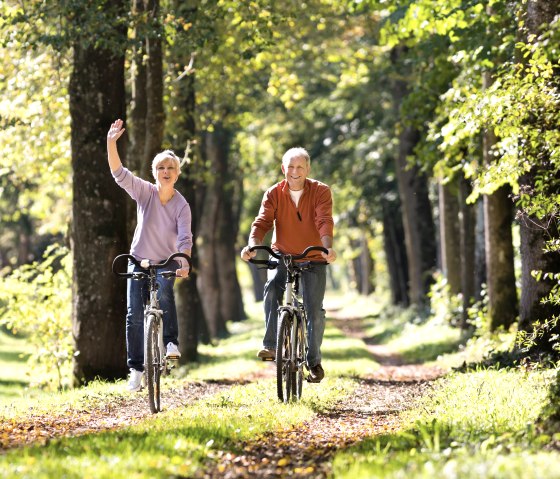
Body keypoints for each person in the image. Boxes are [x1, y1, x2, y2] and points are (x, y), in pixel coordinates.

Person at [107, 119, 193, 392]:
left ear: (177, 173)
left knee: (165, 295)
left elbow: (184, 238)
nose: (165, 172)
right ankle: (136, 368)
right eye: (160, 168)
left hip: (166, 263)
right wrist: (111, 143)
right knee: (133, 313)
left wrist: (184, 262)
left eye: (170, 168)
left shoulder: (181, 204)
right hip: (139, 260)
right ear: (154, 173)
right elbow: (119, 173)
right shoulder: (145, 192)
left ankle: (170, 343)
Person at [240, 147, 336, 383]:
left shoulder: (321, 191)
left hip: (314, 255)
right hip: (281, 253)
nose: (295, 171)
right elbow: (261, 223)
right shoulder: (273, 193)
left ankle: (313, 361)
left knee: (314, 310)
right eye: (290, 167)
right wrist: (253, 245)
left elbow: (324, 220)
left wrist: (327, 248)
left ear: (307, 169)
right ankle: (271, 345)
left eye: (300, 167)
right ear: (283, 169)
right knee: (272, 287)